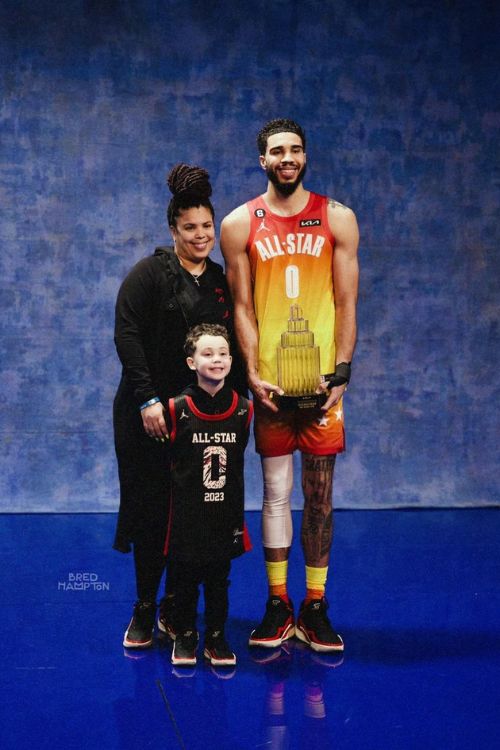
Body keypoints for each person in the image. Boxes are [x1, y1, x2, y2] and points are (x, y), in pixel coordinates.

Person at [220, 118, 359, 652]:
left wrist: (342, 371)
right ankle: (278, 603)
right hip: (273, 385)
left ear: (305, 157)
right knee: (276, 491)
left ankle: (315, 605)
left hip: (321, 383)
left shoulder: (337, 218)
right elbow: (241, 307)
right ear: (262, 159)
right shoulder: (239, 223)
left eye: (296, 150)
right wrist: (251, 371)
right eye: (277, 150)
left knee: (319, 494)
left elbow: (347, 302)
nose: (288, 158)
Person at [113, 164, 245, 649]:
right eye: (189, 228)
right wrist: (148, 398)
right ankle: (146, 606)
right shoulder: (149, 274)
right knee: (150, 512)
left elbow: (234, 345)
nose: (200, 235)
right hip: (147, 415)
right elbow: (126, 336)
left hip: (200, 419)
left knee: (192, 517)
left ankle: (180, 608)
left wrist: (241, 405)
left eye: (207, 227)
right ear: (173, 230)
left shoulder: (219, 280)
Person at [165, 323, 253, 667]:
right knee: (186, 579)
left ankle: (216, 635)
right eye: (207, 353)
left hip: (224, 515)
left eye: (223, 353)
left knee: (219, 579)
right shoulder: (177, 408)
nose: (217, 359)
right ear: (191, 362)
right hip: (188, 515)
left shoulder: (244, 409)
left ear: (232, 359)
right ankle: (186, 633)